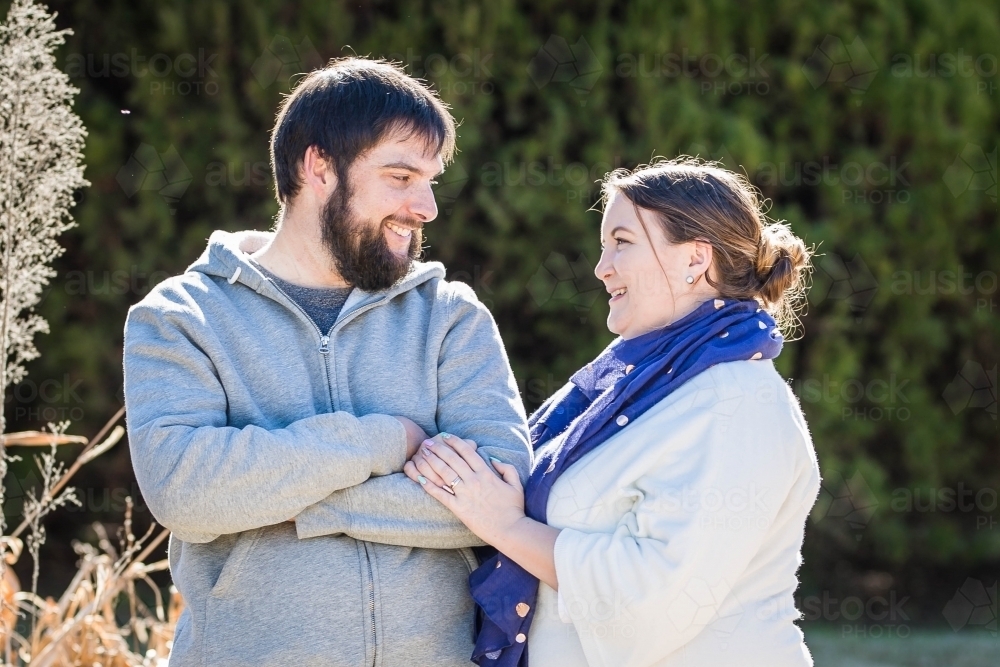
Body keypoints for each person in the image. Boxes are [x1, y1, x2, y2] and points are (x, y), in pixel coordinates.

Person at [123, 57, 531, 667]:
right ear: (318, 168)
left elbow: (502, 495)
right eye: (400, 177)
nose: (427, 207)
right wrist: (378, 443)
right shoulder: (181, 318)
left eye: (431, 181)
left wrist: (278, 502)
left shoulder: (449, 317)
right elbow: (185, 493)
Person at [408, 157, 821, 667]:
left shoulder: (736, 403)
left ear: (694, 260)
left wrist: (506, 527)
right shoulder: (641, 388)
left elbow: (655, 602)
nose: (602, 267)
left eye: (622, 242)